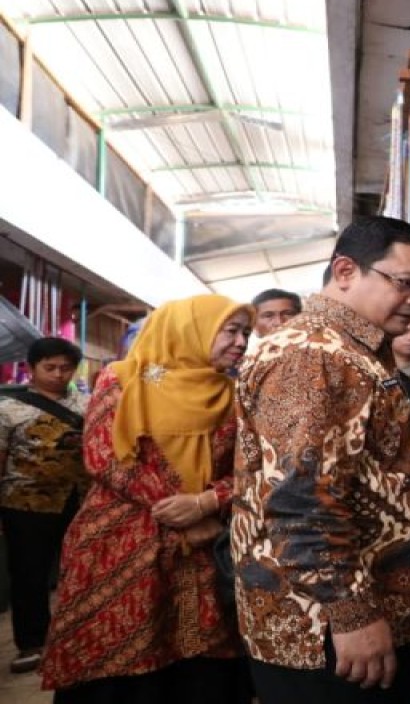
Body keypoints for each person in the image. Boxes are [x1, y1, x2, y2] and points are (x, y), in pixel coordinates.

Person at [232, 216, 410, 704]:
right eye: (405, 283)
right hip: (326, 633)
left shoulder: (352, 349)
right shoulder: (312, 354)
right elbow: (300, 499)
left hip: (369, 614)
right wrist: (352, 612)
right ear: (344, 271)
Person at [41, 295, 254, 703]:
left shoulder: (235, 394)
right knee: (117, 659)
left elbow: (255, 469)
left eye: (246, 332)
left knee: (199, 664)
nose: (242, 342)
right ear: (190, 328)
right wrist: (185, 510)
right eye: (231, 330)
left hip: (201, 552)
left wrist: (209, 502)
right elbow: (105, 458)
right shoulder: (122, 379)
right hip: (119, 543)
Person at [0, 337, 87, 674]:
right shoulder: (8, 408)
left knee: (79, 571)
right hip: (25, 504)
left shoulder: (86, 405)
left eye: (65, 368)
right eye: (49, 367)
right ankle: (32, 643)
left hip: (79, 502)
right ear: (31, 368)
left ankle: (76, 635)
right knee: (29, 575)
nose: (57, 374)